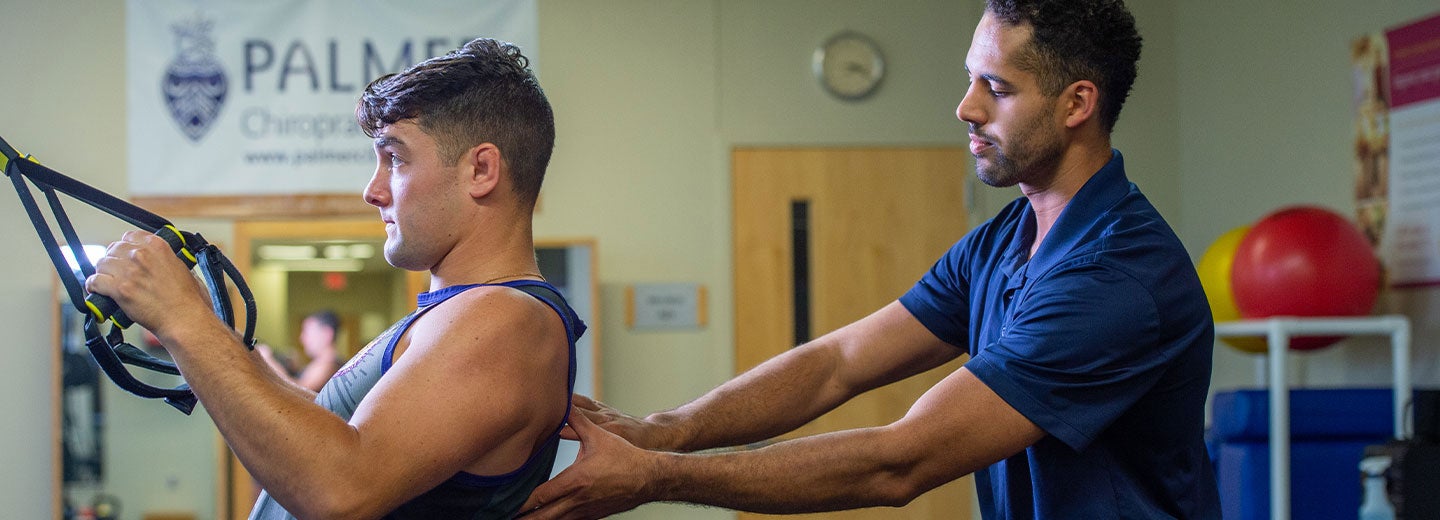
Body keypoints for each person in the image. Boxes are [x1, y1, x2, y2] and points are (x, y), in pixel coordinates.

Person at [519, 1, 1220, 518]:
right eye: (971, 79)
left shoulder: (1115, 277)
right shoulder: (1006, 241)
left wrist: (655, 476)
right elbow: (839, 362)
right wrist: (664, 430)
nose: (964, 108)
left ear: (1078, 104)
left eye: (997, 89)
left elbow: (901, 460)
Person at [87, 38, 586, 519]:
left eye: (395, 158)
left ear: (481, 170)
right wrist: (206, 328)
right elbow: (338, 429)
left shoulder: (503, 318)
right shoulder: (463, 313)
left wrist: (182, 319)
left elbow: (340, 492)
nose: (372, 190)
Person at [257, 309, 345, 393]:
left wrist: (269, 360)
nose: (302, 338)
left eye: (307, 332)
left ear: (327, 334)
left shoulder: (330, 365)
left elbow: (298, 391)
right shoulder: (322, 363)